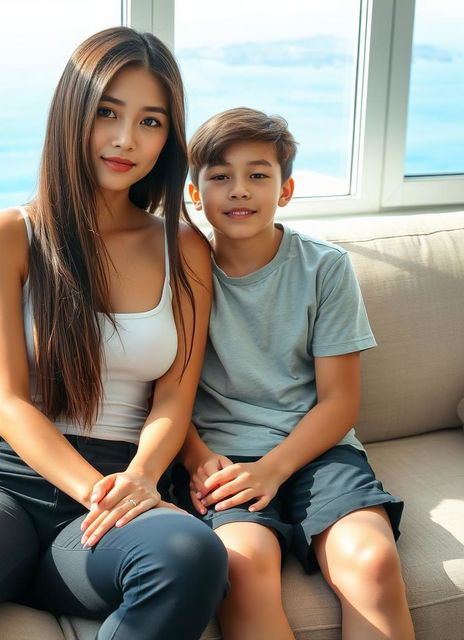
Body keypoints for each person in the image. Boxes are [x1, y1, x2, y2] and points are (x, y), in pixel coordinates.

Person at [0, 27, 228, 640]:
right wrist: (98, 493)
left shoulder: (185, 248)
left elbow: (174, 396)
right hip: (6, 479)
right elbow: (8, 402)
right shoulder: (10, 235)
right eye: (107, 113)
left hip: (124, 477)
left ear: (169, 137)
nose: (126, 140)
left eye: (151, 122)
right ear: (72, 114)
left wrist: (142, 477)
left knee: (191, 556)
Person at [173, 107, 415, 639]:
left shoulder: (324, 268)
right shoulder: (178, 273)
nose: (239, 190)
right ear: (195, 195)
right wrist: (194, 457)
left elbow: (339, 403)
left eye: (258, 175)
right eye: (219, 176)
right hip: (222, 461)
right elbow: (161, 391)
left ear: (285, 191)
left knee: (372, 560)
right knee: (241, 564)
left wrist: (276, 468)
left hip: (317, 450)